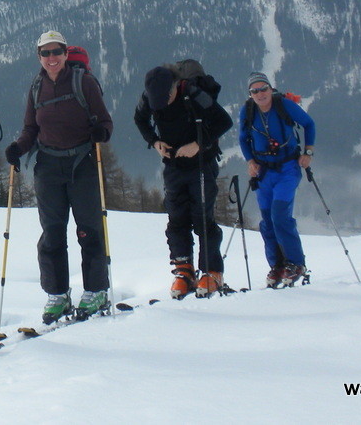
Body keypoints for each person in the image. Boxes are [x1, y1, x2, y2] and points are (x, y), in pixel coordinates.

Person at [4, 31, 113, 324]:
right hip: (48, 166)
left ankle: (96, 290)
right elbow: (31, 129)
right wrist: (18, 148)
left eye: (56, 52)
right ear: (39, 57)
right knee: (52, 233)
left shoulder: (83, 83)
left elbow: (105, 121)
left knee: (88, 229)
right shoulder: (37, 87)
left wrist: (100, 133)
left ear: (65, 54)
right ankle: (58, 294)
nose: (51, 58)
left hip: (81, 163)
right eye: (45, 53)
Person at [133, 64, 233, 299]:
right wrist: (155, 142)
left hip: (201, 164)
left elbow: (223, 122)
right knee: (176, 217)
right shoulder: (150, 97)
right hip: (173, 165)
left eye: (166, 98)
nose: (163, 104)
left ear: (175, 86)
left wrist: (198, 145)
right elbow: (140, 119)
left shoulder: (193, 94)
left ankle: (212, 271)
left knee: (202, 217)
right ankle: (184, 271)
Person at [238, 72, 316, 288]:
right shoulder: (248, 110)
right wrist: (250, 161)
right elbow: (243, 139)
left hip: (288, 168)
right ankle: (278, 266)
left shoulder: (284, 106)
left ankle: (296, 263)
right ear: (250, 94)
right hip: (264, 173)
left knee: (280, 215)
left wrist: (308, 152)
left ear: (271, 89)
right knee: (268, 221)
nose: (260, 94)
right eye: (255, 91)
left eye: (264, 89)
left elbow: (309, 124)